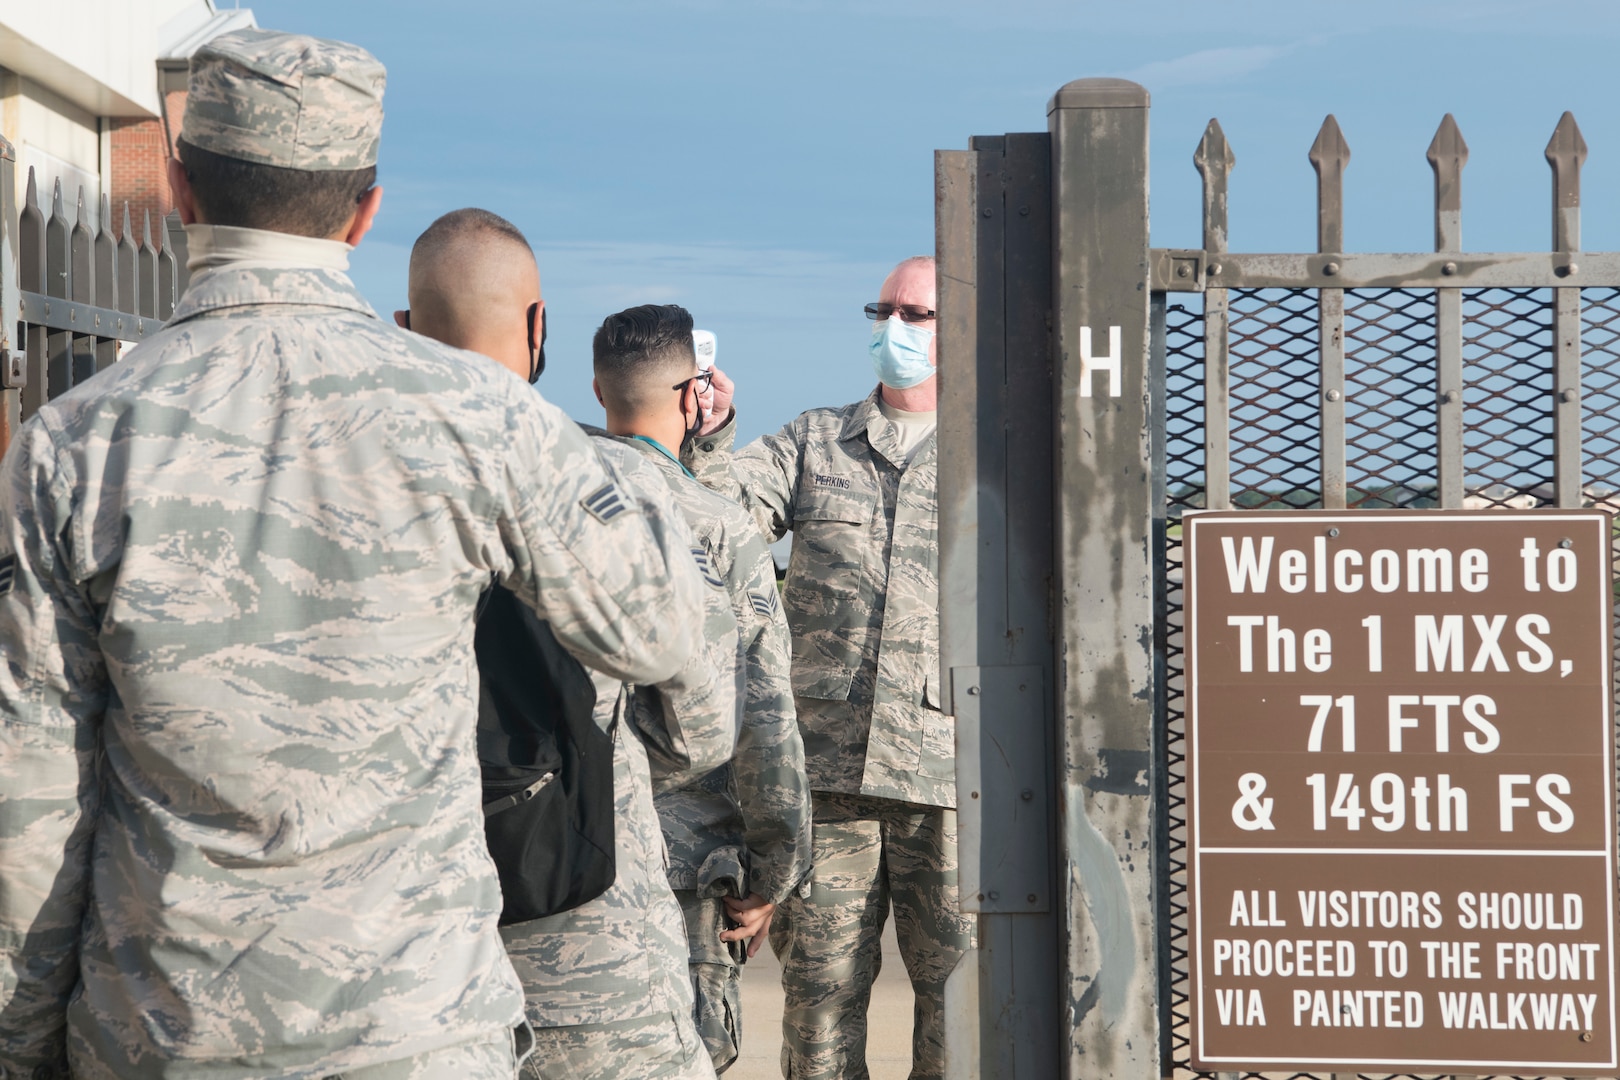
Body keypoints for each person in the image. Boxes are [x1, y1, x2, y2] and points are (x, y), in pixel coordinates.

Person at [0, 32, 709, 1080]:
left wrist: (20, 1045)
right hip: (417, 1030)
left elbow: (31, 797)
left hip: (167, 1031)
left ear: (183, 194)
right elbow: (661, 631)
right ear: (364, 210)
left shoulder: (73, 443)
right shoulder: (478, 416)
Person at [399, 213, 739, 1080]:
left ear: (405, 330)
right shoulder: (603, 486)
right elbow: (698, 726)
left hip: (401, 944)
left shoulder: (350, 478)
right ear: (539, 326)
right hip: (583, 930)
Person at [689, 256, 972, 1080]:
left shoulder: (998, 451)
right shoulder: (815, 442)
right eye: (882, 309)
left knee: (958, 1011)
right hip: (829, 782)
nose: (893, 328)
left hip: (953, 782)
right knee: (819, 1010)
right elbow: (717, 520)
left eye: (914, 314)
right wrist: (711, 433)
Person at [591, 304, 812, 1073]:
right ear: (693, 397)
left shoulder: (539, 493)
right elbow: (765, 724)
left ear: (598, 388)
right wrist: (770, 875)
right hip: (680, 865)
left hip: (534, 848)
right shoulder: (721, 529)